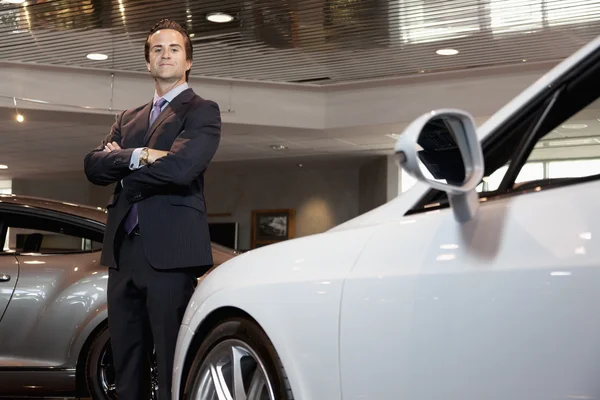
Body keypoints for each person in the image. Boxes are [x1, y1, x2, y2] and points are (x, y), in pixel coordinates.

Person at [83, 19, 220, 400]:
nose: (165, 55)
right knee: (127, 357)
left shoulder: (202, 111)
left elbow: (182, 169)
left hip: (171, 255)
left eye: (174, 49)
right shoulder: (128, 117)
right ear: (147, 62)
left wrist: (123, 166)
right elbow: (93, 166)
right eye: (157, 49)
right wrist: (142, 155)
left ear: (188, 61)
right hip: (124, 252)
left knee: (174, 356)